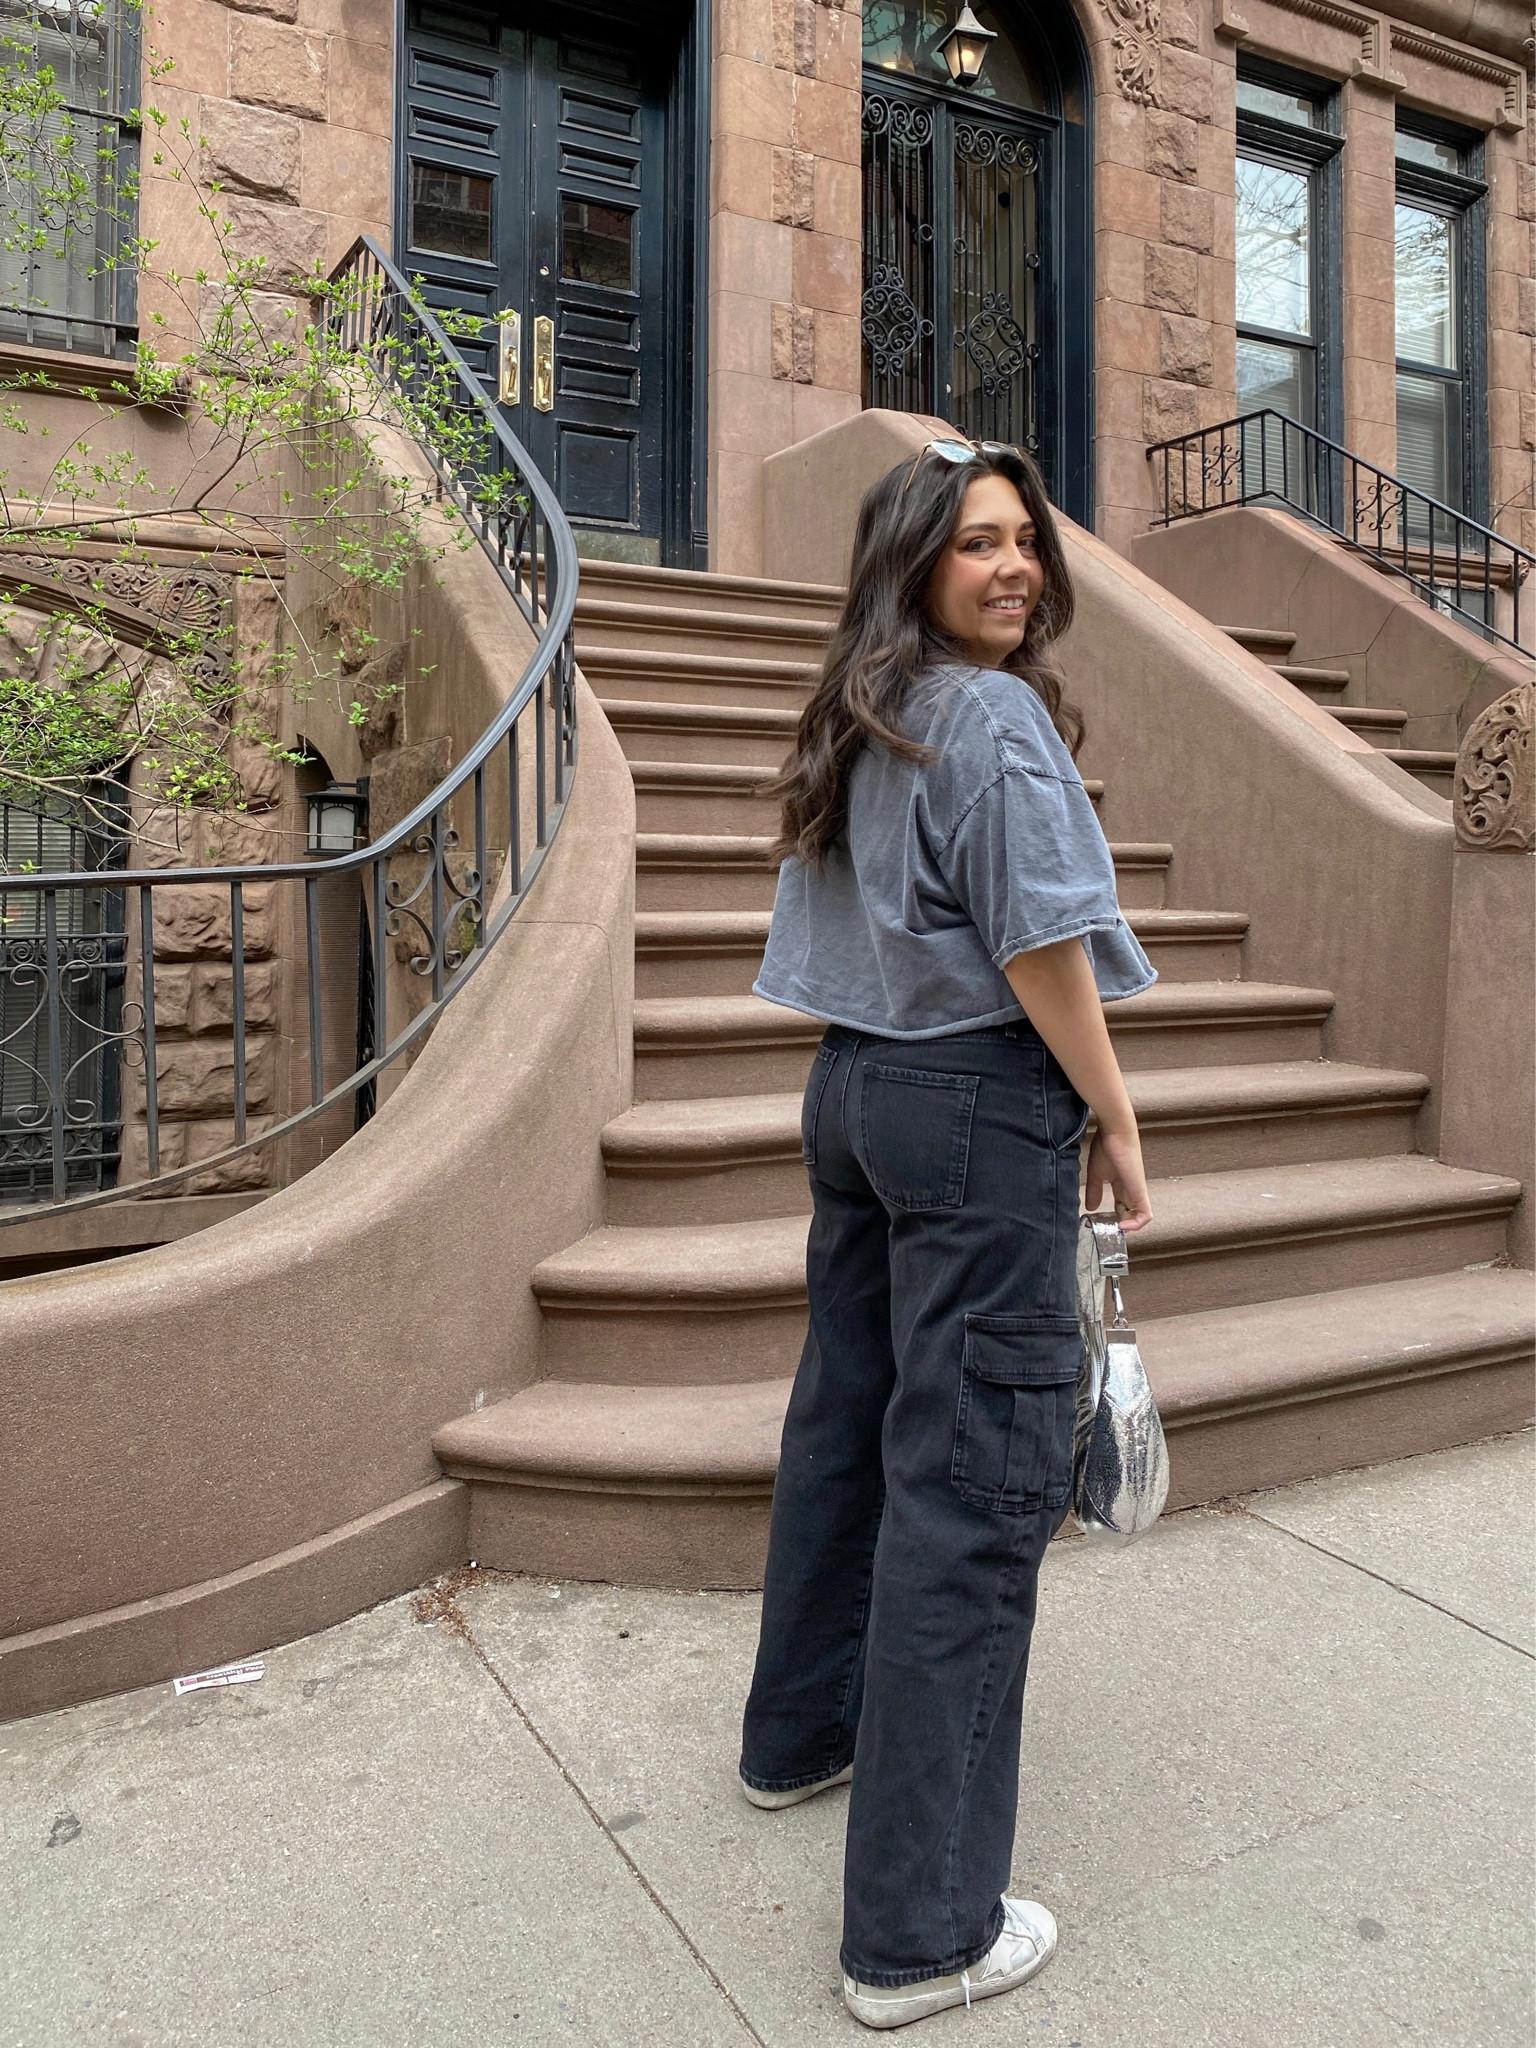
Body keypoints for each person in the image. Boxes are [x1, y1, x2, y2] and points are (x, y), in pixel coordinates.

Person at [738, 438, 1157, 2031]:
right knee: (973, 1488)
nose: (1015, 569)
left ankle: (802, 1737)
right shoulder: (986, 716)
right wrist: (1115, 1122)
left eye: (1027, 543)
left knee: (847, 1424)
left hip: (854, 1093)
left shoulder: (867, 703)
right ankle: (920, 1932)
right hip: (975, 1105)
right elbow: (1044, 939)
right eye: (978, 543)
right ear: (913, 559)